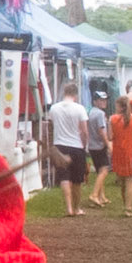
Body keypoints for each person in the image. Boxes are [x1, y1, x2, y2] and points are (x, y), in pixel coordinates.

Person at [47, 80, 88, 217]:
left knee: (64, 177)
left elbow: (51, 126)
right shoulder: (80, 108)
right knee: (77, 180)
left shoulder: (54, 108)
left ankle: (69, 207)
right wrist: (84, 144)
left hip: (60, 144)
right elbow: (84, 131)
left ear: (64, 93)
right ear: (75, 94)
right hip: (76, 145)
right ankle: (76, 208)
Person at [107, 93, 132, 216]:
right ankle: (128, 208)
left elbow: (110, 136)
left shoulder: (112, 119)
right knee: (130, 180)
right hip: (131, 151)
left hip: (118, 152)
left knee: (122, 181)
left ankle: (125, 204)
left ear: (119, 107)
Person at [86, 88, 111, 207]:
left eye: (105, 100)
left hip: (91, 145)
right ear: (95, 101)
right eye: (101, 100)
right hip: (99, 145)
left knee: (99, 171)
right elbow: (102, 130)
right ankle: (94, 194)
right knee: (104, 170)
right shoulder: (100, 114)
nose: (104, 102)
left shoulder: (91, 112)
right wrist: (108, 144)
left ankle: (102, 196)